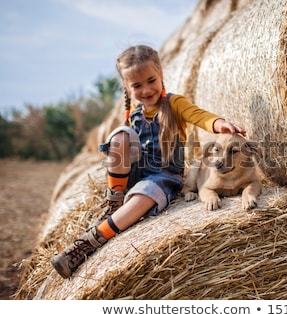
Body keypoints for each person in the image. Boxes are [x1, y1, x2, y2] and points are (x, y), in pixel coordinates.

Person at [51, 45, 246, 279]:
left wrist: (219, 124)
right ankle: (114, 202)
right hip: (136, 171)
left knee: (146, 193)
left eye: (151, 80)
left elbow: (199, 116)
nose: (145, 90)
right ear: (127, 87)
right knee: (121, 135)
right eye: (136, 85)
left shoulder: (175, 104)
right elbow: (125, 150)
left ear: (161, 74)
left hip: (163, 176)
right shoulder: (135, 111)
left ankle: (90, 241)